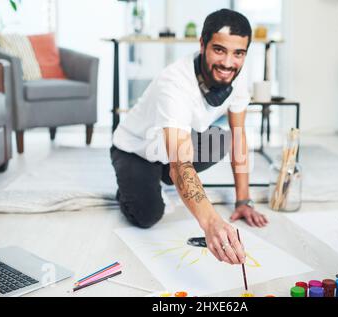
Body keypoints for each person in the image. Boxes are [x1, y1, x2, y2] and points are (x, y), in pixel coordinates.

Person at [111, 9, 268, 265]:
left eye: (238, 53)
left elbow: (239, 137)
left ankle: (165, 176)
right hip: (136, 150)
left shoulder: (237, 79)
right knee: (147, 215)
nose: (228, 63)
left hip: (171, 148)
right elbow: (181, 165)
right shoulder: (174, 83)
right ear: (202, 44)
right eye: (219, 50)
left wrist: (243, 200)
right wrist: (211, 222)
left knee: (224, 140)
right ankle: (130, 186)